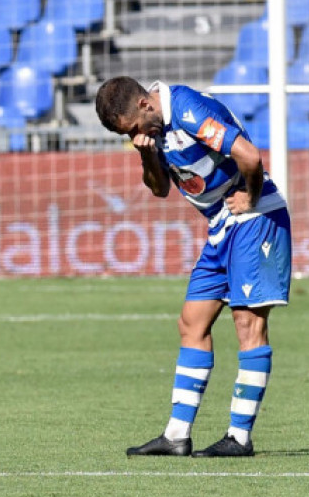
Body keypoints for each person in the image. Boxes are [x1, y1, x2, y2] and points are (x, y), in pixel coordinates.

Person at [95, 76, 291, 457]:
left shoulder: (187, 109)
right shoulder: (154, 131)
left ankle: (239, 438)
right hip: (219, 225)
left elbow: (250, 157)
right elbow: (159, 189)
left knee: (248, 323)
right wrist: (146, 153)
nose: (136, 136)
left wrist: (250, 198)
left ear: (145, 104)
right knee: (191, 323)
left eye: (135, 130)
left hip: (254, 217)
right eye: (128, 136)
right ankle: (177, 435)